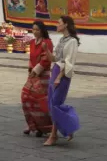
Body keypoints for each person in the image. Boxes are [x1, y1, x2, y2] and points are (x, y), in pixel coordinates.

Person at [42, 15, 80, 146]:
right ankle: (67, 127)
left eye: (59, 23)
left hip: (62, 75)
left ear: (66, 25)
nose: (56, 25)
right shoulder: (61, 40)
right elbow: (54, 58)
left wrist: (59, 77)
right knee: (51, 103)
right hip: (56, 71)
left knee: (56, 104)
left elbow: (69, 62)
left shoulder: (72, 41)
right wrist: (46, 50)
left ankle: (54, 135)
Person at [21, 20, 53, 137]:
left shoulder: (47, 42)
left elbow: (46, 59)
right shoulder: (32, 42)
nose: (35, 32)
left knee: (40, 102)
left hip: (42, 76)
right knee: (25, 97)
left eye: (37, 30)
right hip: (32, 75)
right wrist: (31, 70)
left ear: (42, 30)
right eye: (33, 29)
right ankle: (31, 125)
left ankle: (46, 127)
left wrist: (36, 71)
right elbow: (31, 58)